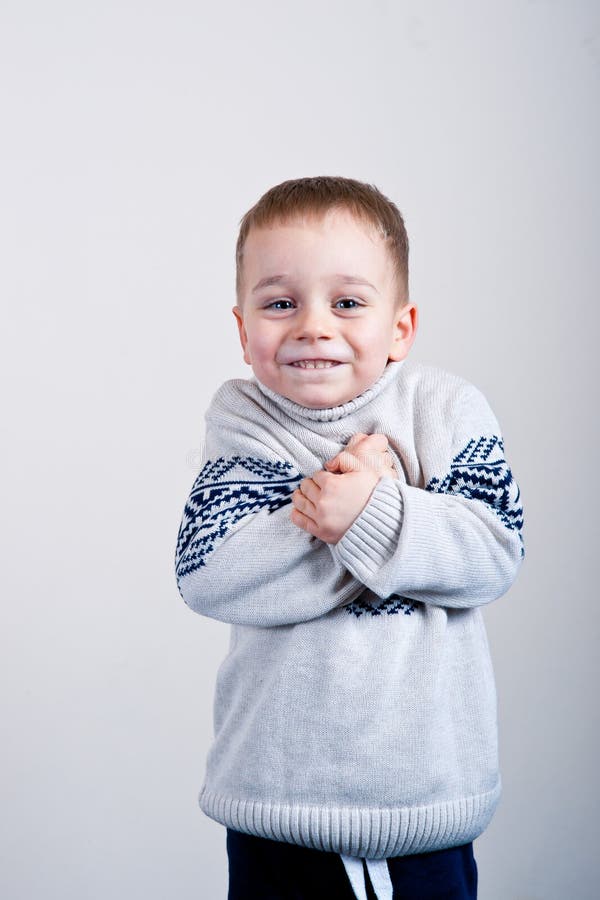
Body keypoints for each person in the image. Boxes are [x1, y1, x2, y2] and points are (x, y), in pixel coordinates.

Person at [174, 176, 524, 899]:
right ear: (242, 330)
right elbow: (211, 570)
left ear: (400, 327)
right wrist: (358, 513)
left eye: (348, 303)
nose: (313, 326)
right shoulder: (244, 421)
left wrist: (371, 511)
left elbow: (493, 552)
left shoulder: (445, 410)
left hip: (426, 809)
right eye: (280, 304)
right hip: (276, 812)